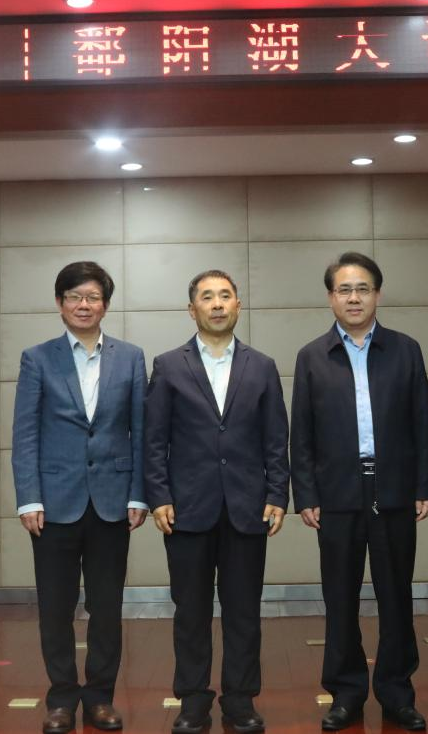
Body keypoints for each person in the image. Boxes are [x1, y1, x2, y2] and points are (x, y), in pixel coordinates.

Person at [290, 251, 428, 732]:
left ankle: (397, 693)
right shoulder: (312, 356)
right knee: (340, 598)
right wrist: (306, 494)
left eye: (363, 289)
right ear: (331, 297)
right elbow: (301, 434)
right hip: (336, 493)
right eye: (344, 290)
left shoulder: (405, 350)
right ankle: (346, 693)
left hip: (393, 487)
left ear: (377, 294)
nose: (354, 298)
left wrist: (424, 484)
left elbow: (422, 422)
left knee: (396, 596)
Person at [144, 270, 290, 734]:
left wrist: (277, 493)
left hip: (248, 506)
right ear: (193, 310)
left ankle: (240, 700)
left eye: (225, 295)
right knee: (190, 612)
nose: (218, 304)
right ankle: (192, 701)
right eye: (207, 297)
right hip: (186, 509)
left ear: (238, 306)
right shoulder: (169, 366)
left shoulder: (262, 366)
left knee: (244, 611)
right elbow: (154, 439)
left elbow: (276, 438)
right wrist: (158, 495)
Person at [11, 261, 149, 734]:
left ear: (105, 305)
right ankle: (61, 700)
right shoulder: (37, 358)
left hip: (113, 501)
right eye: (74, 296)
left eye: (92, 297)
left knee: (107, 608)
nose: (83, 305)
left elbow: (140, 431)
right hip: (53, 503)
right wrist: (28, 498)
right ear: (60, 303)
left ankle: (100, 699)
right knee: (56, 608)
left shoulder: (130, 358)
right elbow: (25, 433)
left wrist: (139, 493)